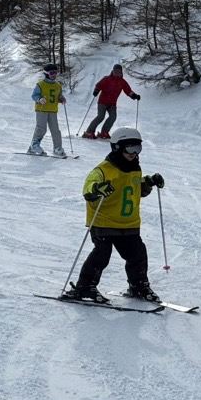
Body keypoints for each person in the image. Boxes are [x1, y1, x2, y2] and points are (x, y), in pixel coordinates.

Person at [64, 127, 165, 303]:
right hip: (104, 222)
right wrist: (97, 189)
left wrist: (148, 182)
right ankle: (85, 287)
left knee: (137, 254)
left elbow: (135, 189)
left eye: (138, 149)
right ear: (117, 148)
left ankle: (138, 285)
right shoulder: (103, 170)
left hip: (129, 223)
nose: (134, 153)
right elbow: (89, 187)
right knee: (101, 254)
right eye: (130, 149)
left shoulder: (135, 169)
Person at [82, 64, 141, 139]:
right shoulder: (106, 79)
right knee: (100, 116)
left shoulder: (122, 82)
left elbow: (128, 91)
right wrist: (96, 90)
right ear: (112, 71)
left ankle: (104, 132)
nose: (117, 73)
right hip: (102, 102)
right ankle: (89, 132)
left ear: (121, 72)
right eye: (115, 71)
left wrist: (134, 96)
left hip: (112, 104)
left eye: (118, 71)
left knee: (113, 117)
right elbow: (98, 85)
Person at [28, 63, 67, 157]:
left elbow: (58, 96)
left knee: (55, 130)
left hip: (53, 110)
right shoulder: (41, 84)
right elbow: (34, 95)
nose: (54, 75)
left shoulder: (58, 85)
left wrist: (61, 99)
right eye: (52, 73)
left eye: (56, 73)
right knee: (41, 128)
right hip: (41, 110)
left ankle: (57, 148)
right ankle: (34, 146)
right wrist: (39, 99)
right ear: (46, 73)